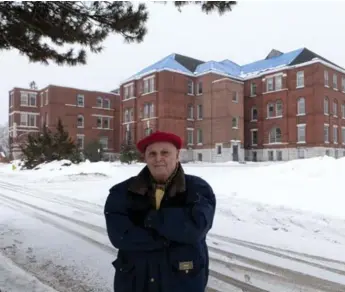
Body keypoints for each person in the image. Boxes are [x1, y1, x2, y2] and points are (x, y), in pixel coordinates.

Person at [104, 131, 216, 292]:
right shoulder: (122, 192)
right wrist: (173, 235)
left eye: (165, 153)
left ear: (177, 155)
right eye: (152, 154)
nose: (158, 158)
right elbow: (120, 236)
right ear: (145, 158)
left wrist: (150, 219)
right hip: (136, 281)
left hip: (182, 280)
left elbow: (195, 229)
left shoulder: (198, 189)